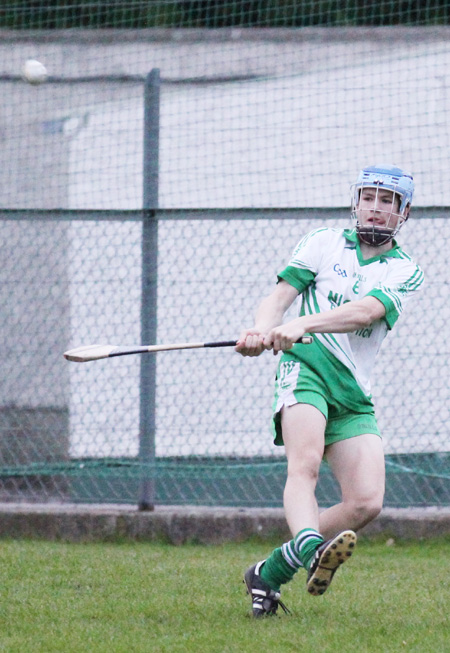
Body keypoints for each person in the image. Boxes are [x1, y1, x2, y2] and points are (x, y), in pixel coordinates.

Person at [236, 164, 424, 617]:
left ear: (403, 213)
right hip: (306, 370)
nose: (376, 210)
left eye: (388, 202)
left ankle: (270, 570)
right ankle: (309, 546)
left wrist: (300, 323)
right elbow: (280, 297)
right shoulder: (322, 242)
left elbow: (364, 312)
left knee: (365, 501)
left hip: (353, 391)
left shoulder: (405, 270)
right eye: (370, 198)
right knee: (304, 466)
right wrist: (263, 330)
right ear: (355, 201)